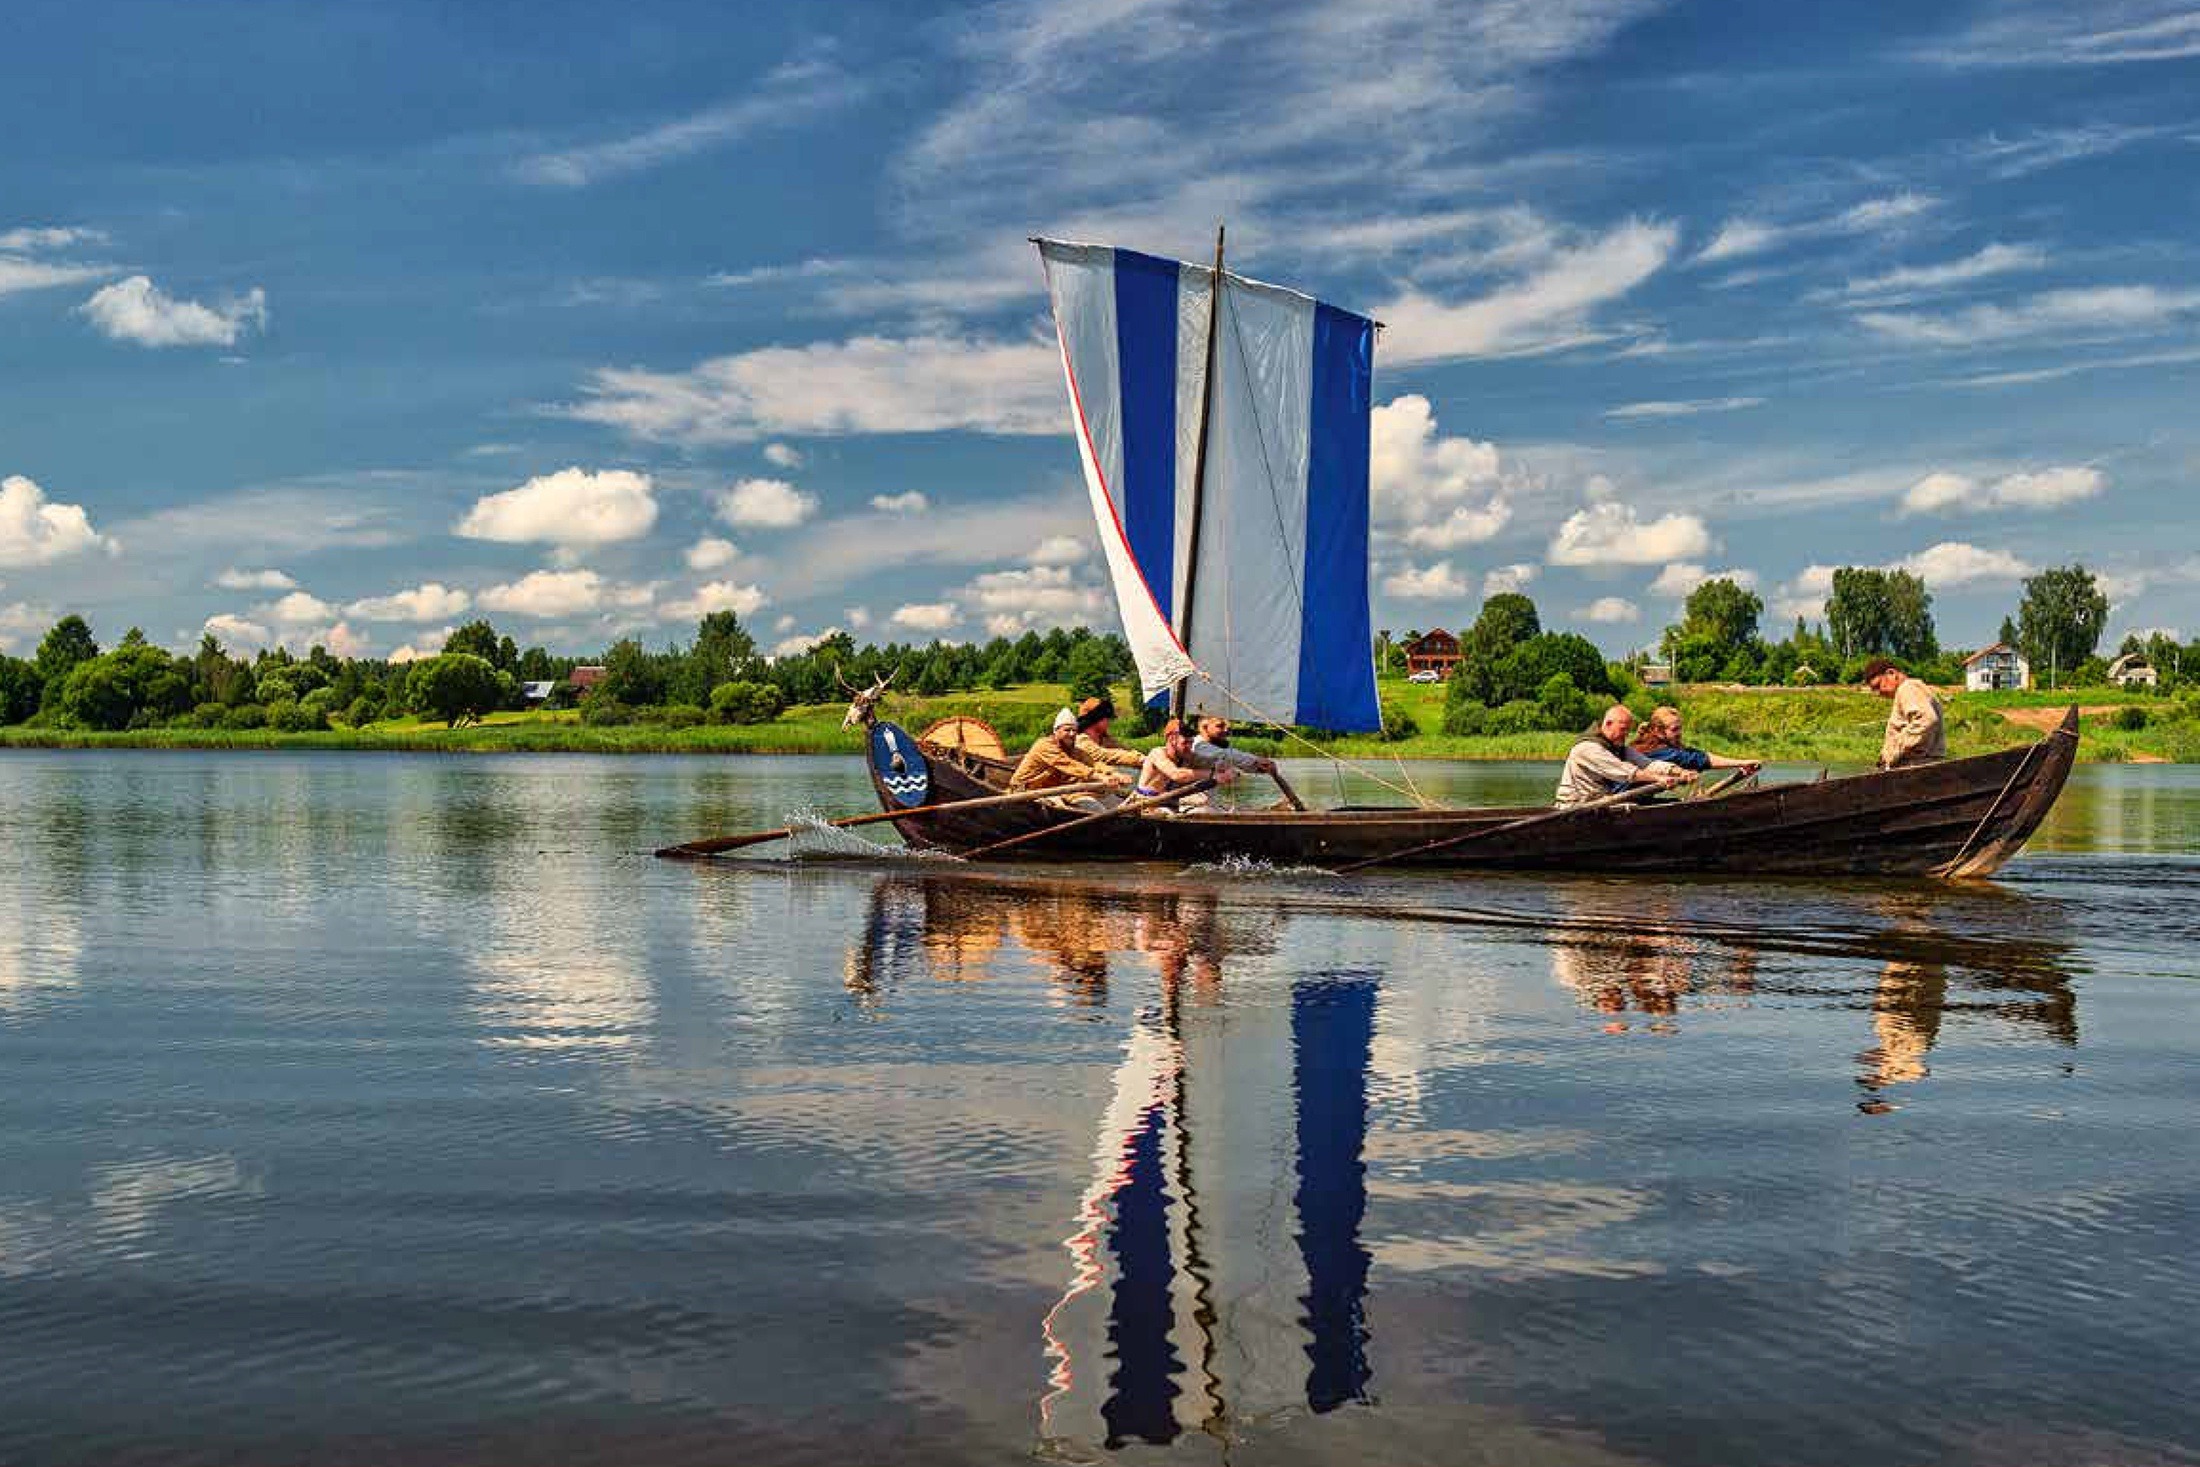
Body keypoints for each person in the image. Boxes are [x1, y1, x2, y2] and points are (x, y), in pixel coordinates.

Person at [1554, 705, 1697, 807]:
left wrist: (1679, 771)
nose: (1627, 734)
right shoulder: (1587, 748)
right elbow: (1625, 772)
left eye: (1628, 730)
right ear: (1608, 724)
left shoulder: (1618, 747)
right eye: (1623, 729)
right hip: (1574, 807)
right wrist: (1659, 778)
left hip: (1598, 805)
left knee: (1663, 805)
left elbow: (1648, 764)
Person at [1010, 708, 1133, 806]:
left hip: (1054, 789)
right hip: (1026, 791)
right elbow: (1069, 765)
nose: (1072, 734)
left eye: (1074, 730)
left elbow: (1093, 763)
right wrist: (1100, 777)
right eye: (1067, 730)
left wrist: (1114, 774)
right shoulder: (1045, 745)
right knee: (1062, 806)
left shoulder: (1074, 750)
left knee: (1108, 797)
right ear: (1056, 731)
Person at [1630, 706, 1762, 777]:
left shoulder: (1659, 743)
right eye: (1675, 729)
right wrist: (1742, 762)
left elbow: (1694, 754)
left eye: (1680, 728)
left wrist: (1739, 765)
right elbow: (1697, 759)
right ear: (1658, 731)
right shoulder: (1657, 750)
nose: (1680, 733)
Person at [1864, 657, 1946, 769]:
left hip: (1916, 766)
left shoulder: (1907, 688)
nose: (1878, 693)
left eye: (1878, 686)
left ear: (1891, 673)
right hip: (1925, 765)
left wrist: (1893, 752)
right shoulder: (1914, 688)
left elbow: (1926, 720)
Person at [1134, 717, 1226, 812]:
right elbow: (1177, 775)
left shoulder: (1187, 755)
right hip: (1145, 804)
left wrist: (1224, 768)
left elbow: (1210, 762)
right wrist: (1213, 774)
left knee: (1207, 808)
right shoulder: (1157, 753)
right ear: (1172, 739)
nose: (1189, 747)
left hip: (1169, 802)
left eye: (1191, 743)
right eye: (1185, 743)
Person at [1185, 715, 1282, 801]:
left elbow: (1236, 760)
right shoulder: (1198, 745)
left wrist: (1259, 768)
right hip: (1191, 805)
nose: (1226, 730)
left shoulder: (1213, 748)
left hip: (1206, 804)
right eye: (1220, 726)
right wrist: (1256, 761)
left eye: (1226, 726)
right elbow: (1227, 755)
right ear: (1204, 727)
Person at [1071, 696, 1144, 772]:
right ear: (1096, 719)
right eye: (1106, 717)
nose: (1109, 721)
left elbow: (1124, 749)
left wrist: (1144, 758)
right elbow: (1105, 755)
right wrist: (1138, 759)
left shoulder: (1104, 739)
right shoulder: (1081, 740)